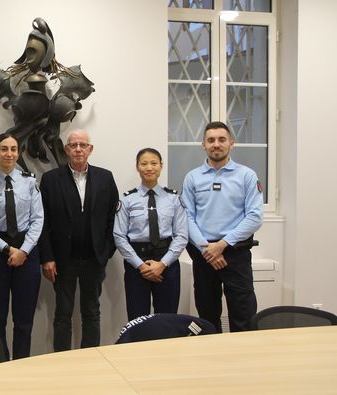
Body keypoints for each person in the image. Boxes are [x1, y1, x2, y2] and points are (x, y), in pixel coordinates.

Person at [38, 129, 119, 351]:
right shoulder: (51, 179)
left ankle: (91, 358)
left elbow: (114, 219)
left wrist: (106, 251)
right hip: (63, 260)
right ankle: (61, 361)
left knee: (92, 312)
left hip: (94, 258)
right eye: (73, 145)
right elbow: (42, 222)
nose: (78, 149)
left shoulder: (105, 178)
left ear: (90, 149)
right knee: (62, 313)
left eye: (83, 145)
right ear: (66, 150)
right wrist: (47, 257)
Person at [182, 121, 263, 332]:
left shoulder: (246, 175)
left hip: (235, 254)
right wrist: (206, 249)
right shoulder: (193, 177)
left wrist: (222, 244)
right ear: (203, 145)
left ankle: (244, 361)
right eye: (211, 140)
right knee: (207, 317)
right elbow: (187, 217)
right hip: (204, 255)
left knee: (243, 315)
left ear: (231, 143)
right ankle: (212, 362)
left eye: (221, 139)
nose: (216, 144)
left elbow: (255, 216)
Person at [0, 133, 44, 359]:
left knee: (24, 319)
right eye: (4, 149)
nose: (9, 154)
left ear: (18, 153)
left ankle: (21, 364)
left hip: (27, 254)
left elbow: (38, 220)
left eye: (14, 149)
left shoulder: (30, 181)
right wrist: (8, 249)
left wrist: (23, 250)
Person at [113, 148, 188, 321]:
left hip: (166, 261)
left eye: (154, 163)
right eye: (144, 163)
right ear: (137, 167)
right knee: (138, 319)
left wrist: (162, 264)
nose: (149, 168)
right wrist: (141, 266)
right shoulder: (127, 200)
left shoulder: (174, 199)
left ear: (161, 166)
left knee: (167, 318)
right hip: (136, 262)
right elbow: (119, 236)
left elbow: (181, 235)